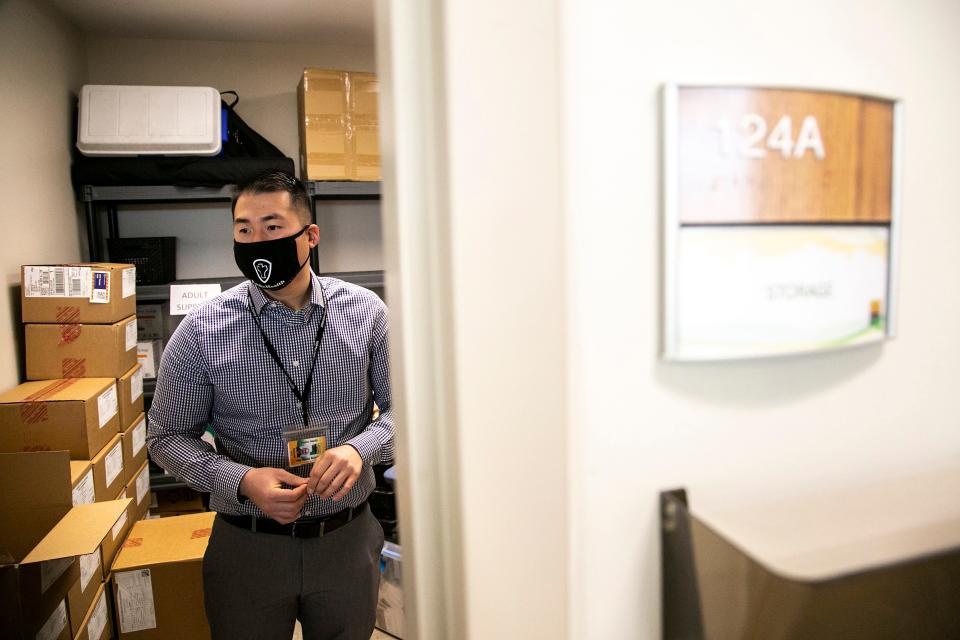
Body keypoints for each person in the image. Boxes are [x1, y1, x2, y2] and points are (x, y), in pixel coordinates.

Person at [147, 170, 393, 640]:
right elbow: (165, 437)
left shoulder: (367, 314)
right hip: (247, 545)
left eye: (273, 227)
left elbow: (408, 414)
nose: (257, 240)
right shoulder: (201, 330)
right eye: (244, 229)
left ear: (310, 236)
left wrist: (361, 449)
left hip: (346, 540)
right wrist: (239, 480)